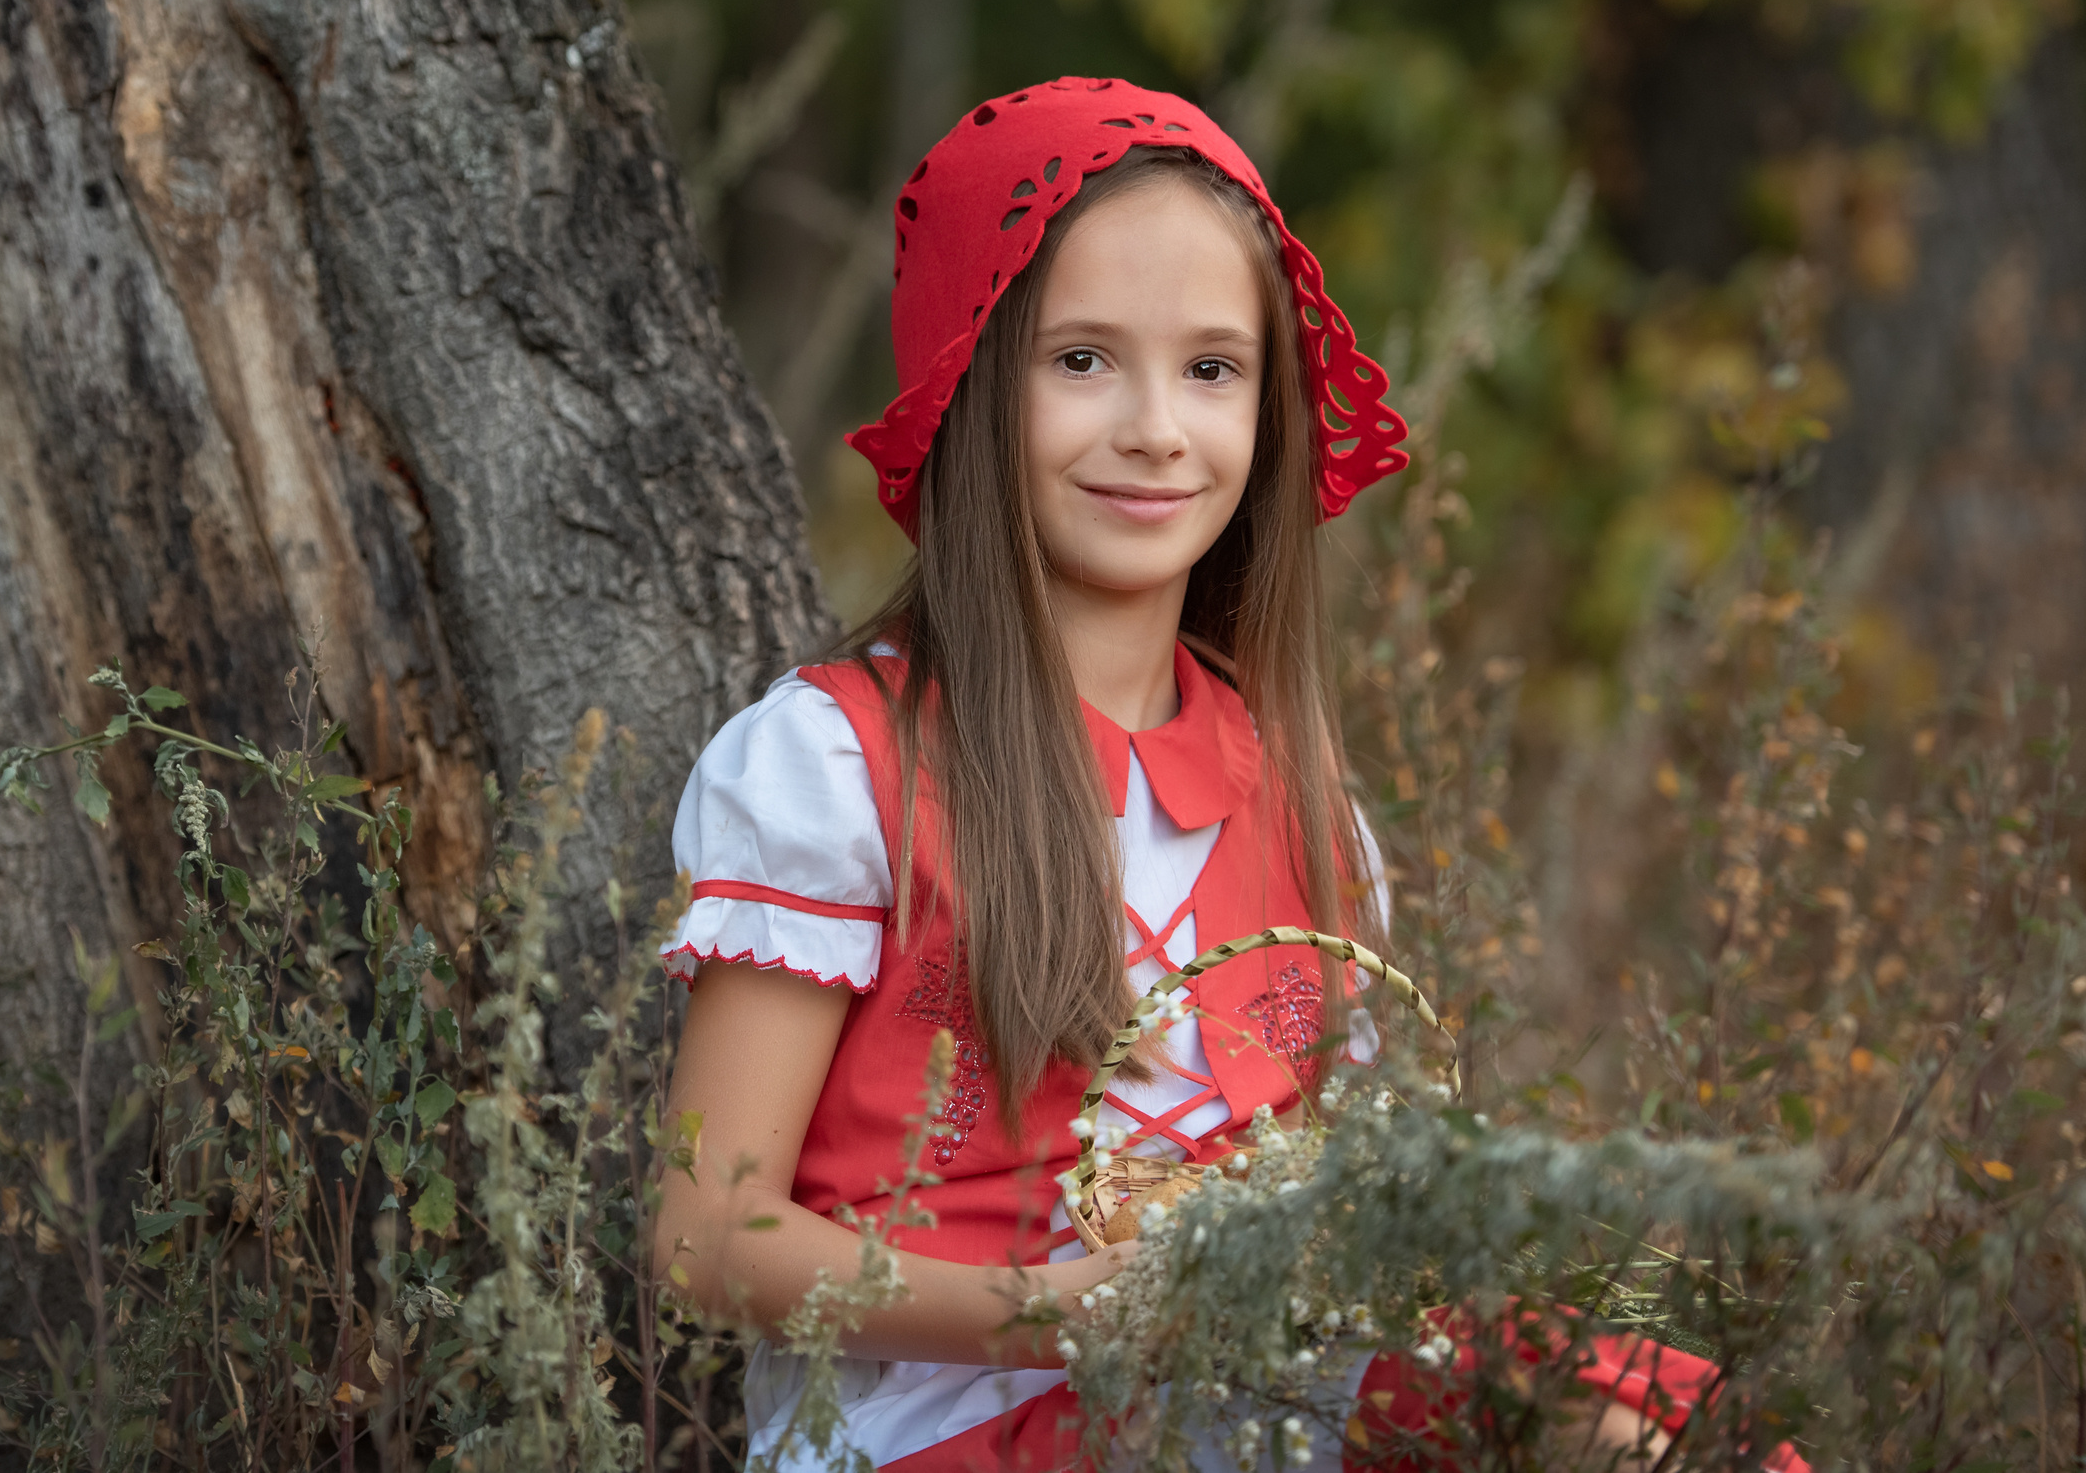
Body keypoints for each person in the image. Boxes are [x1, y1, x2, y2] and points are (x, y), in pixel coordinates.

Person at [650, 78, 1750, 1471]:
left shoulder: (1298, 796)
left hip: (1251, 1390)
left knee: (1613, 1417)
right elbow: (705, 1235)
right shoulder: (836, 765)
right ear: (972, 379)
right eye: (1084, 360)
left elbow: (1323, 1184)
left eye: (1214, 369)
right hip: (955, 1416)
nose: (1159, 426)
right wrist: (1054, 1312)